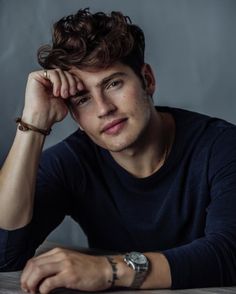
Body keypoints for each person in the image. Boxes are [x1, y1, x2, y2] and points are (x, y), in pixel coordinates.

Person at [0, 7, 236, 294]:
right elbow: (5, 253)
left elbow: (229, 252)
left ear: (147, 80)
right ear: (73, 113)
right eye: (83, 99)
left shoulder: (222, 146)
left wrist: (109, 269)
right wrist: (33, 125)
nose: (103, 109)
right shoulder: (74, 162)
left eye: (113, 83)